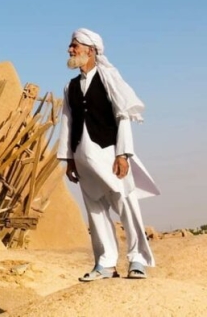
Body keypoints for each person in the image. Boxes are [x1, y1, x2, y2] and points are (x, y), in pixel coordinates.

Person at [57, 28, 159, 281]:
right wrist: (68, 159)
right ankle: (105, 263)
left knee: (125, 204)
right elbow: (67, 122)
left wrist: (123, 154)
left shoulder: (108, 78)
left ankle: (137, 260)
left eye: (75, 46)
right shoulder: (69, 86)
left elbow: (123, 116)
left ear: (90, 51)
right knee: (95, 210)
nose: (70, 50)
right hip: (82, 156)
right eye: (71, 46)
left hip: (109, 153)